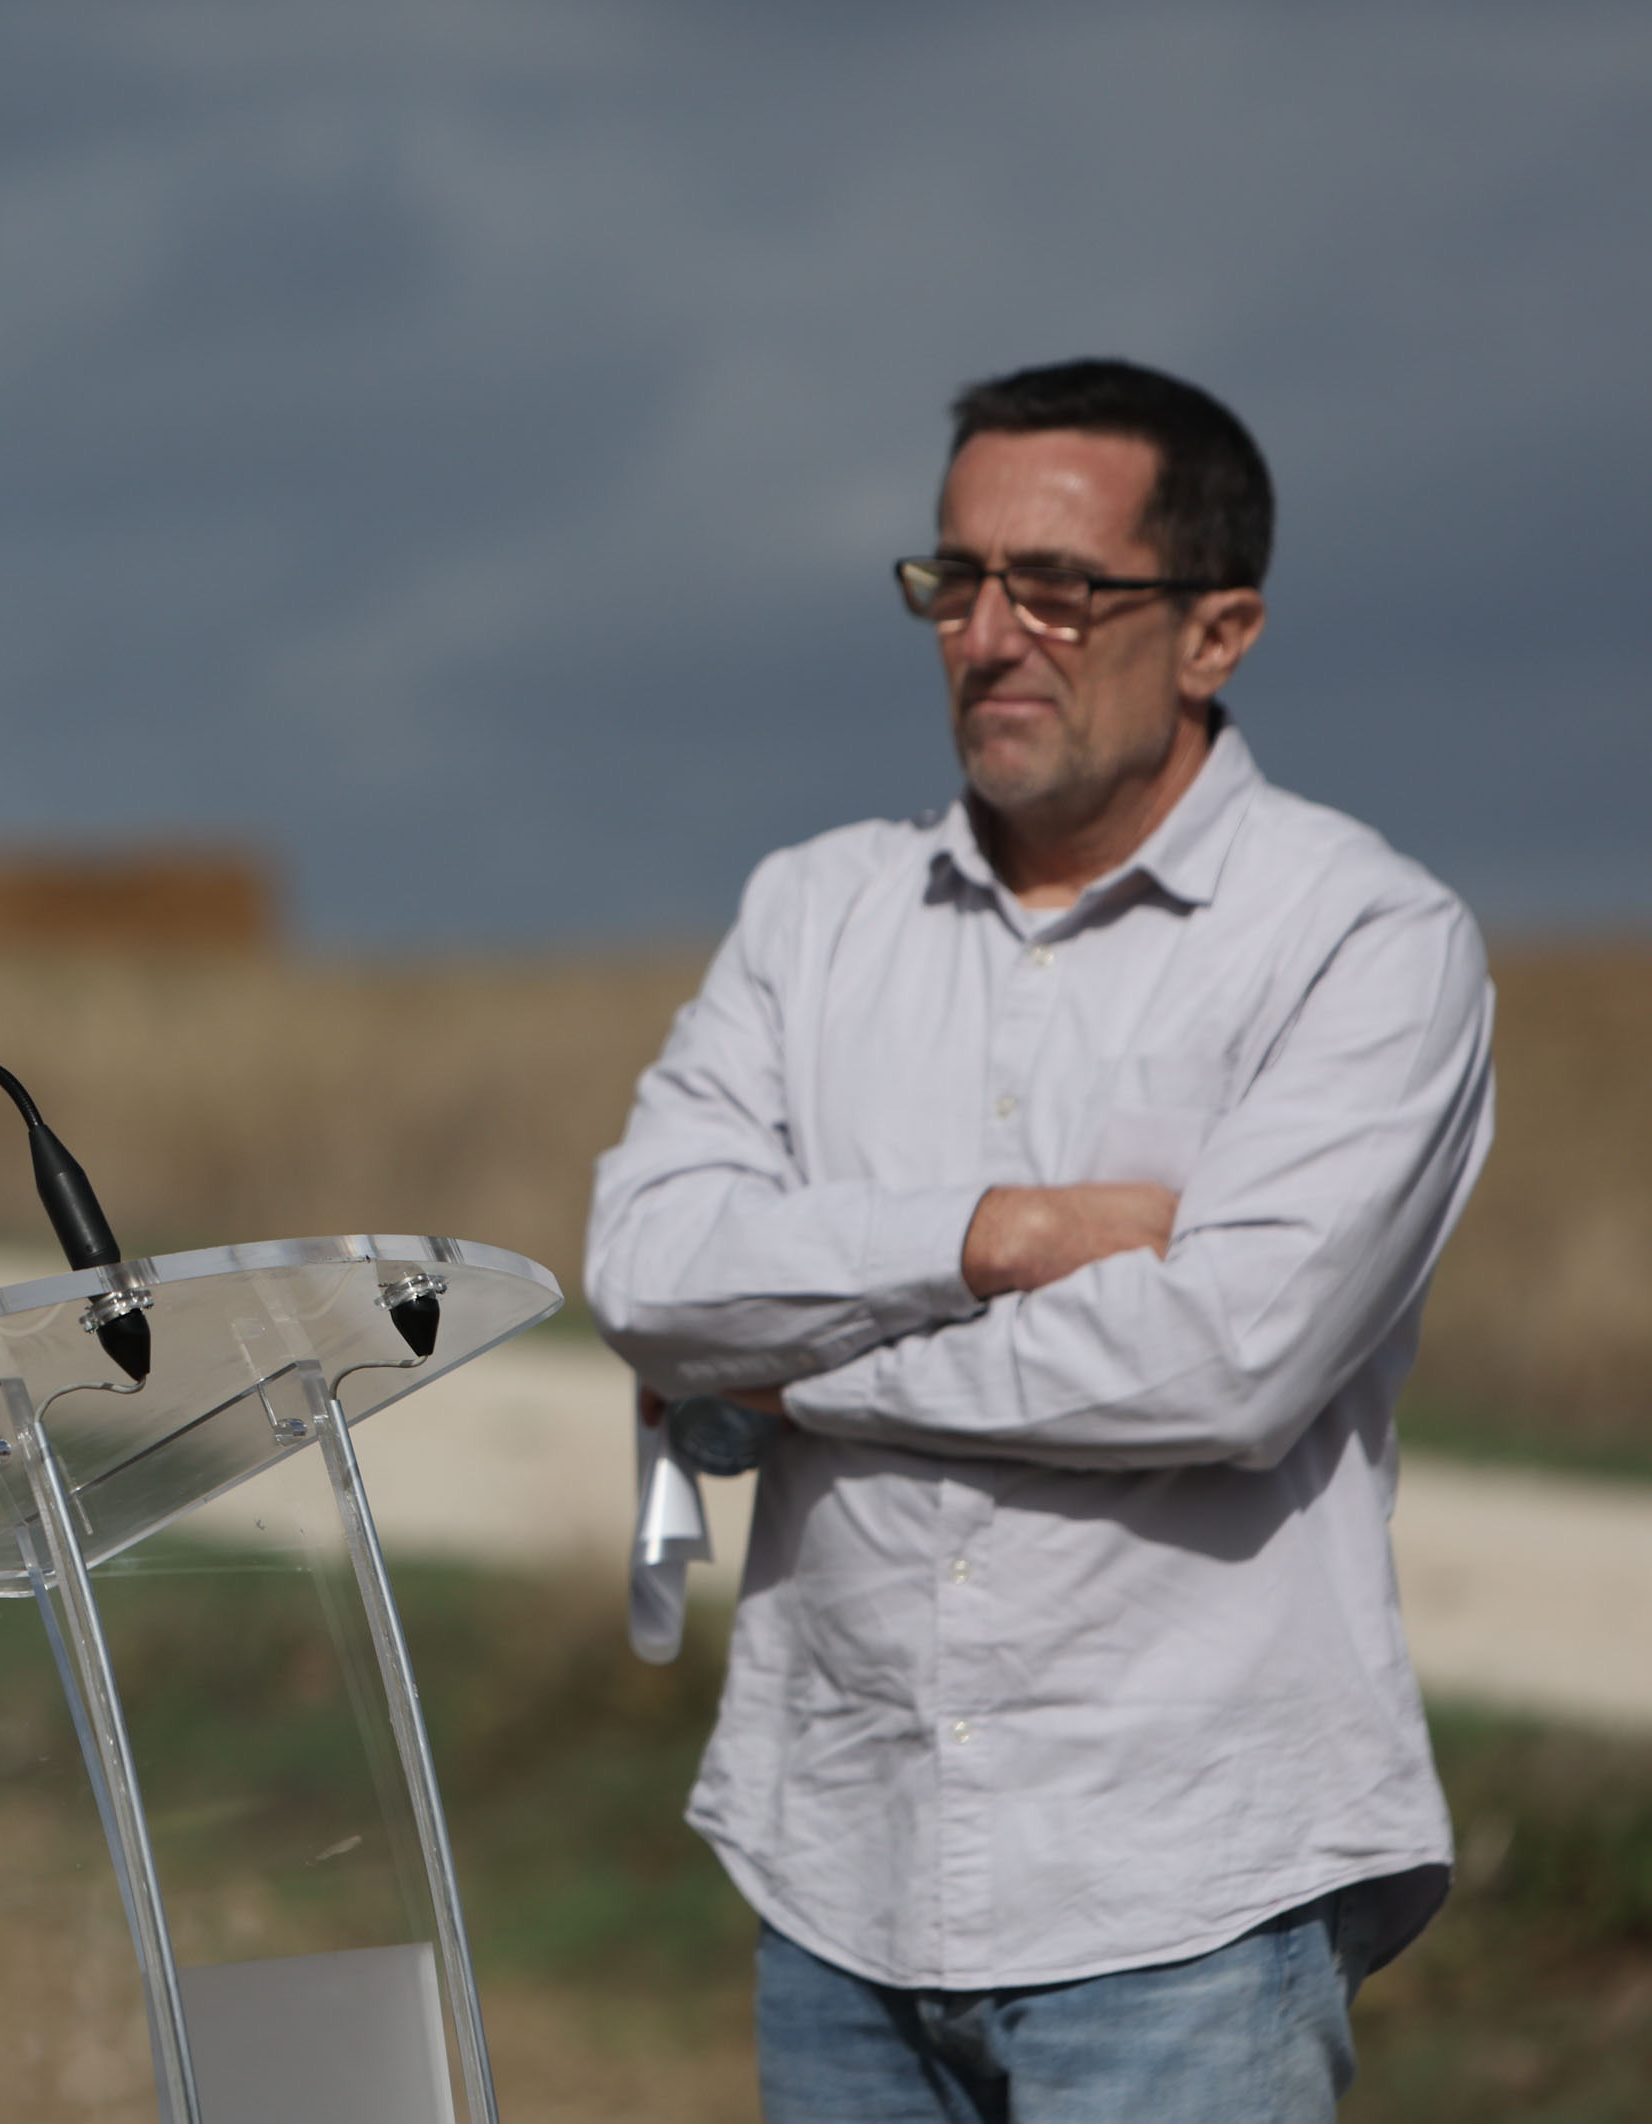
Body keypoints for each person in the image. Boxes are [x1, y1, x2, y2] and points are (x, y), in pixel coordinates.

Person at [585, 360, 1493, 2121]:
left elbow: (1224, 1365)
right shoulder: (811, 914)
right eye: (957, 579)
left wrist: (789, 1381)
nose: (990, 635)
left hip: (1187, 1896)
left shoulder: (1365, 942)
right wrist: (999, 1236)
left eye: (1059, 588)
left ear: (1219, 632)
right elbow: (647, 1272)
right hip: (840, 1873)